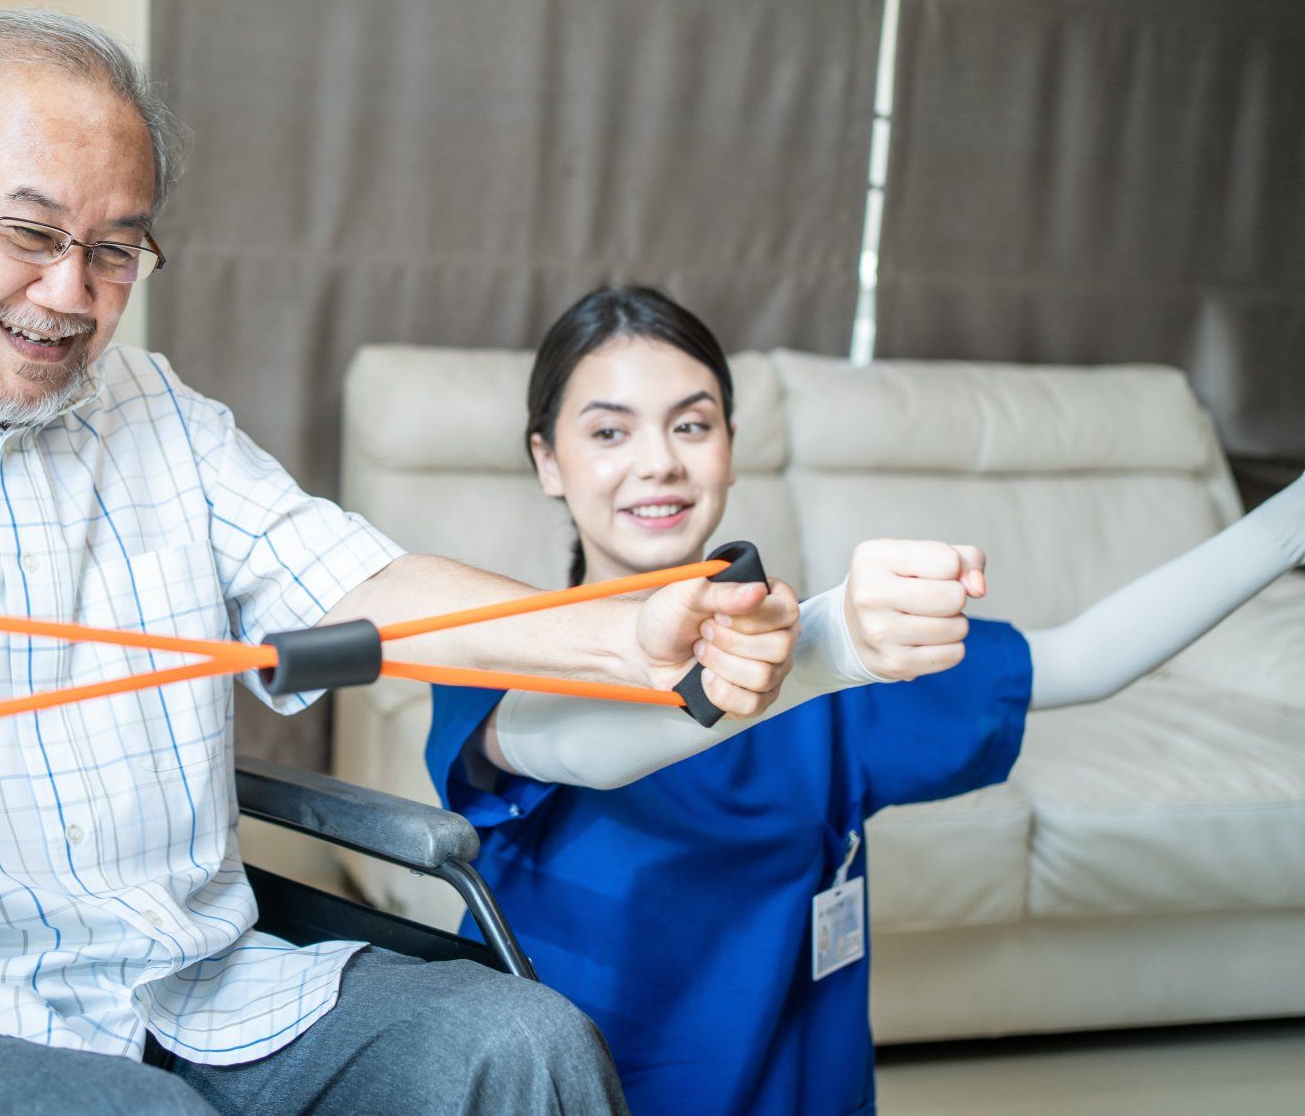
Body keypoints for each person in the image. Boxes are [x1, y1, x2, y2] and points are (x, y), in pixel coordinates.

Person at [0, 11, 820, 1116]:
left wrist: (627, 632)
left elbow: (358, 587)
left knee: (525, 1049)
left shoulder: (165, 421)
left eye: (116, 248)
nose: (71, 294)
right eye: (29, 232)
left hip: (199, 988)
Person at [425, 284, 1305, 1116]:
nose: (659, 462)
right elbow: (572, 746)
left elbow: (1083, 660)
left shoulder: (838, 665)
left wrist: (1292, 516)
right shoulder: (496, 650)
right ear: (548, 460)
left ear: (730, 443)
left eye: (692, 424)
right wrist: (824, 646)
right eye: (610, 433)